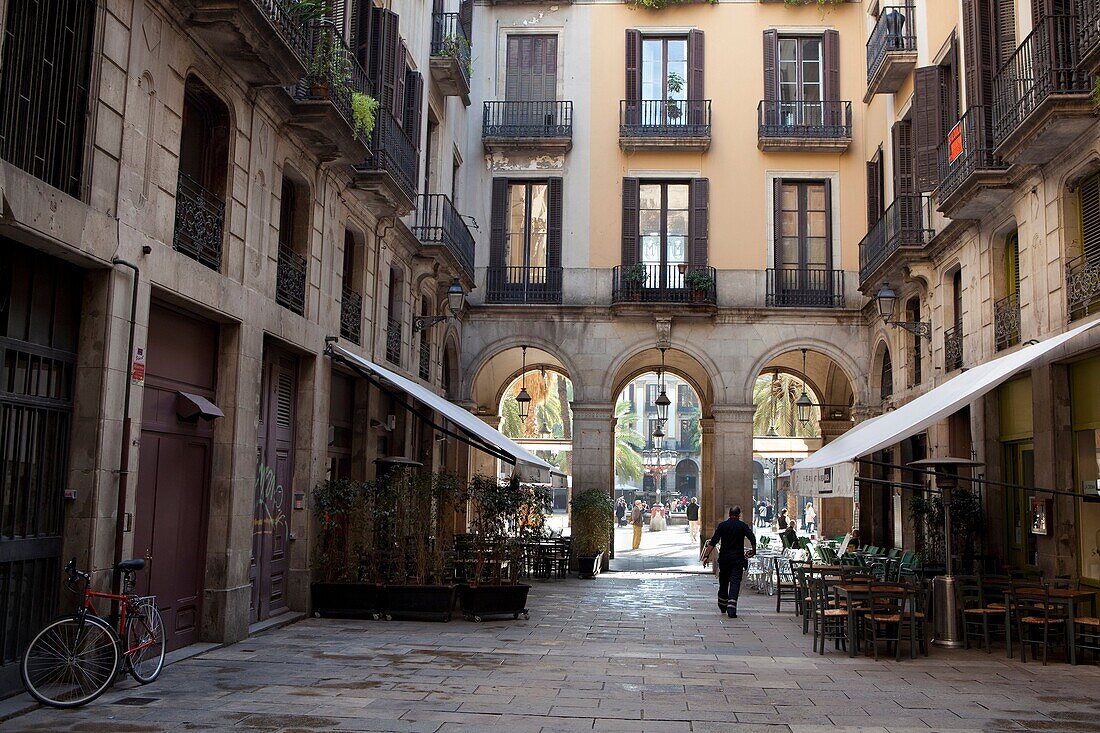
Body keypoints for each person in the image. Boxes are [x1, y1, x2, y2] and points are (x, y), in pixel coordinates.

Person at [709, 506, 757, 618]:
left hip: (724, 559)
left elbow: (713, 541)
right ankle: (732, 607)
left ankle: (722, 603)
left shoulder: (722, 526)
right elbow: (752, 538)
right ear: (739, 515)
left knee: (724, 582)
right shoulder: (742, 526)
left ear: (729, 514)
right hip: (737, 559)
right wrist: (753, 550)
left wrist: (706, 556)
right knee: (735, 583)